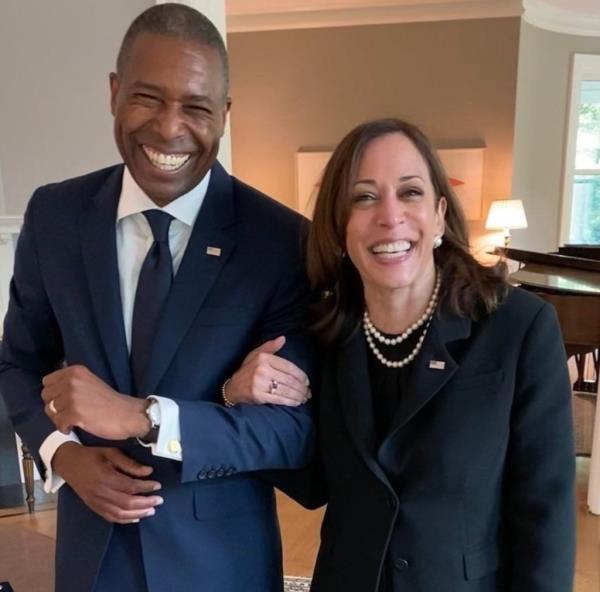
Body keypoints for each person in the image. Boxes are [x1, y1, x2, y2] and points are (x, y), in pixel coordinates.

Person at [0, 4, 315, 592]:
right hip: (91, 556)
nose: (170, 128)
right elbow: (17, 360)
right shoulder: (54, 216)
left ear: (223, 114)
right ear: (115, 93)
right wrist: (61, 455)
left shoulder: (281, 241)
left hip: (223, 564)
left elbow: (290, 431)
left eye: (196, 107)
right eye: (148, 97)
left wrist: (146, 418)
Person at [225, 118, 576, 591]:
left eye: (409, 192)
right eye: (364, 197)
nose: (389, 216)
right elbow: (312, 483)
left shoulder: (518, 327)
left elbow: (545, 511)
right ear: (340, 225)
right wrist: (239, 397)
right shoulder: (321, 333)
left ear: (438, 214)